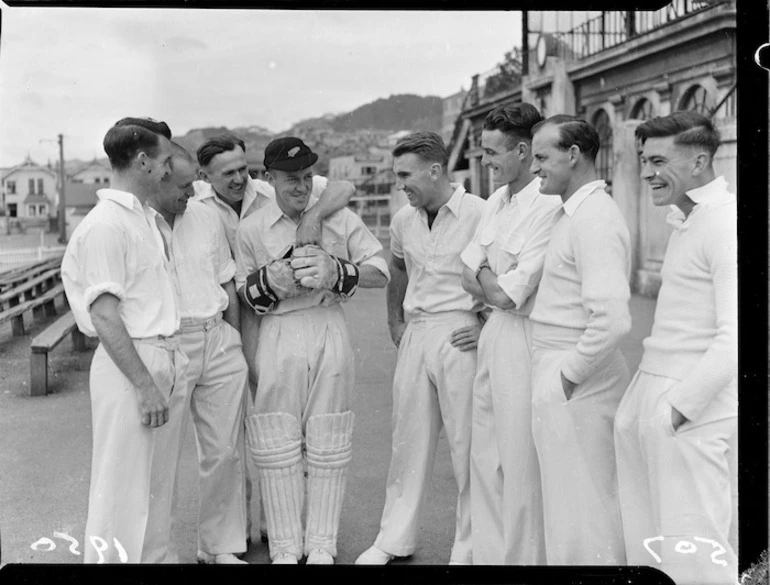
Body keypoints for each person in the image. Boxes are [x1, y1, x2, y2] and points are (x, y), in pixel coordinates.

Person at [193, 134, 355, 543]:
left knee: (280, 429)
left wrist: (315, 215)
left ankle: (275, 526)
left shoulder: (269, 189)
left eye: (242, 169)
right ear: (204, 177)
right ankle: (228, 536)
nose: (237, 179)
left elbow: (343, 188)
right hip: (230, 320)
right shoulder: (195, 206)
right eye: (227, 173)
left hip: (277, 321)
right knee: (228, 441)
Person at [235, 136, 389, 565]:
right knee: (277, 438)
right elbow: (243, 295)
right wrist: (269, 283)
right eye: (290, 180)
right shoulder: (251, 229)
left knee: (329, 437)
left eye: (306, 178)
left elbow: (380, 270)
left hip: (327, 326)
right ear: (269, 180)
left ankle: (322, 543)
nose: (301, 188)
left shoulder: (337, 218)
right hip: (278, 332)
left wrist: (338, 271)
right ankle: (285, 544)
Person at [614, 111, 737, 585]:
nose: (646, 173)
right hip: (657, 396)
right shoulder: (689, 220)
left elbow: (736, 335)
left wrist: (679, 410)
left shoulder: (724, 225)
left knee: (698, 558)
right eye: (644, 160)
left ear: (701, 159)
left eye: (658, 160)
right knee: (653, 548)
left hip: (691, 408)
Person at [61, 117, 187, 563]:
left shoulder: (145, 219)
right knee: (120, 492)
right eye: (166, 160)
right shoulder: (105, 225)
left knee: (155, 488)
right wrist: (145, 383)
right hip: (131, 366)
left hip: (161, 356)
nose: (170, 169)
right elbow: (105, 315)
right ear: (142, 161)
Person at [355, 131, 484, 566]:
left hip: (460, 333)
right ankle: (394, 539)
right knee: (407, 441)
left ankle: (469, 546)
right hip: (418, 331)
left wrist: (485, 324)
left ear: (435, 170)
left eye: (405, 175)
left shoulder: (481, 214)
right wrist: (394, 320)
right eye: (396, 176)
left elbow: (513, 275)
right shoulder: (403, 220)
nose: (400, 184)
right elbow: (397, 267)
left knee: (469, 445)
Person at [527, 115, 632, 565]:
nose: (535, 168)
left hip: (577, 375)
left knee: (587, 504)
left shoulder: (594, 218)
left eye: (542, 157)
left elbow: (611, 319)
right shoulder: (574, 212)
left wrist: (567, 378)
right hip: (562, 368)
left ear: (573, 155)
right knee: (569, 501)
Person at [459, 104, 561, 565]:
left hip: (524, 338)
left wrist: (482, 273)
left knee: (520, 462)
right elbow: (467, 275)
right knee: (484, 453)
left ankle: (523, 562)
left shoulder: (548, 207)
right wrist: (486, 277)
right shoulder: (498, 201)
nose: (485, 162)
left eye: (492, 152)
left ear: (523, 150)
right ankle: (488, 557)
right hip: (494, 335)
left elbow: (508, 296)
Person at [141, 144, 249, 564]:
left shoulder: (205, 216)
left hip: (218, 337)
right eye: (186, 185)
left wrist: (235, 342)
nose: (195, 191)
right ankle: (156, 554)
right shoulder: (141, 225)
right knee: (160, 458)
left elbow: (227, 284)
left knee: (224, 451)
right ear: (159, 179)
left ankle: (219, 547)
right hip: (170, 343)